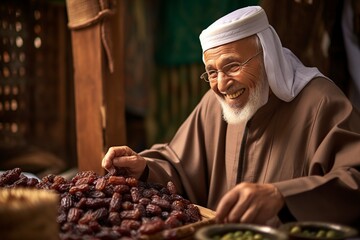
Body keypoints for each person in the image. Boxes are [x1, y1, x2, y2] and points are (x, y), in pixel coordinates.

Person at [102, 6, 360, 227]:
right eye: (212, 72)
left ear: (268, 58)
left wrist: (281, 195)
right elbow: (180, 163)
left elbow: (354, 180)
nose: (222, 84)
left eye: (233, 66)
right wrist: (145, 167)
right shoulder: (214, 105)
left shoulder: (319, 101)